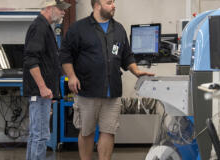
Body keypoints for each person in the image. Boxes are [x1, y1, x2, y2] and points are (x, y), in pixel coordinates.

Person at [59, 0, 154, 159]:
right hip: (87, 91)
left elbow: (126, 56)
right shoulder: (79, 28)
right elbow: (65, 55)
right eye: (109, 2)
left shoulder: (118, 29)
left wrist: (136, 71)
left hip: (112, 92)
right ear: (97, 5)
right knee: (87, 132)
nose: (114, 5)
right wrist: (72, 77)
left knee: (109, 132)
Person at [23, 0, 70, 159]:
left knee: (36, 136)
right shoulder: (39, 27)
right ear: (50, 8)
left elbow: (47, 63)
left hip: (43, 93)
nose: (64, 12)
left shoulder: (45, 27)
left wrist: (53, 92)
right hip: (40, 92)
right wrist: (43, 88)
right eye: (61, 9)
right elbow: (31, 60)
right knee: (40, 136)